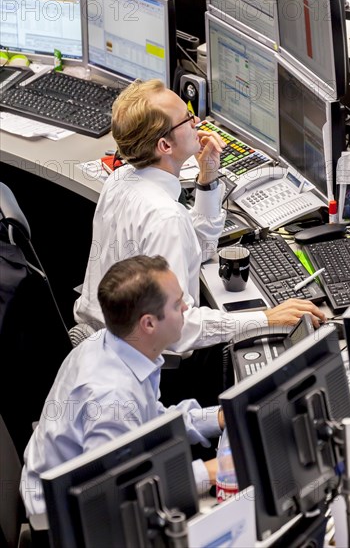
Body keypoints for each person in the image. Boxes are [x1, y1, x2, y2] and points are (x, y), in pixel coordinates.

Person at [73, 78, 326, 405]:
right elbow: (179, 333)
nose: (197, 123)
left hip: (104, 345)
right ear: (165, 145)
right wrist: (266, 318)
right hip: (155, 369)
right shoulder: (165, 217)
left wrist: (207, 179)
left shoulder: (121, 180)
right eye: (187, 119)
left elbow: (198, 251)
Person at [20, 256, 224, 516]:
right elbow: (119, 498)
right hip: (67, 522)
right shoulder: (112, 400)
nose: (185, 307)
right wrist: (207, 473)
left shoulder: (115, 345)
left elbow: (150, 421)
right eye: (176, 304)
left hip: (90, 487)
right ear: (148, 323)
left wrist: (216, 418)